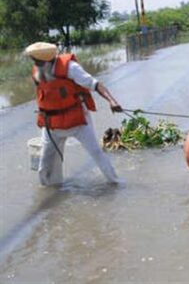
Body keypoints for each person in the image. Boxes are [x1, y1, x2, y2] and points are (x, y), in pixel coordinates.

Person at [25, 42, 122, 186]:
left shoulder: (70, 68)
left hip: (76, 120)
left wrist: (112, 101)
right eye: (34, 61)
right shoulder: (38, 71)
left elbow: (96, 84)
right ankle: (51, 194)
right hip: (51, 124)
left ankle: (116, 183)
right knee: (44, 166)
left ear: (46, 60)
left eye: (37, 61)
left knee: (96, 153)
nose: (35, 64)